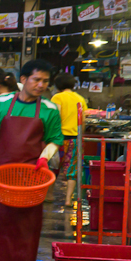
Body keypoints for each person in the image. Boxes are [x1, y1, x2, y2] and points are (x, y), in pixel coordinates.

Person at [0, 59, 63, 261]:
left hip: (32, 172)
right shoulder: (1, 103)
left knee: (28, 220)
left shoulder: (50, 109)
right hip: (2, 170)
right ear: (23, 80)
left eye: (45, 81)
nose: (41, 85)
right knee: (0, 216)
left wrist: (44, 159)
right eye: (36, 79)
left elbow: (54, 141)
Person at [50, 73, 88, 208]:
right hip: (75, 139)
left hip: (59, 138)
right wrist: (80, 135)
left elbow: (56, 117)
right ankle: (68, 199)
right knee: (72, 170)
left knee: (53, 167)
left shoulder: (57, 97)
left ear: (57, 85)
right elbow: (82, 120)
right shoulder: (80, 98)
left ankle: (49, 195)